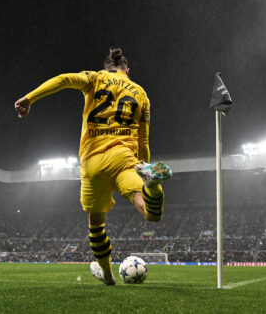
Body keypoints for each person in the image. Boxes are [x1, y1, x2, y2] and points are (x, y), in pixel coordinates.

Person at [15, 48, 171, 285]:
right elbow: (144, 140)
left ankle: (108, 276)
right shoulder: (140, 93)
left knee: (96, 222)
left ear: (106, 67)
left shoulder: (95, 77)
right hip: (125, 158)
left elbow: (65, 79)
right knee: (151, 213)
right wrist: (144, 165)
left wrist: (30, 97)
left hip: (93, 161)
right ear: (127, 71)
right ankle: (153, 185)